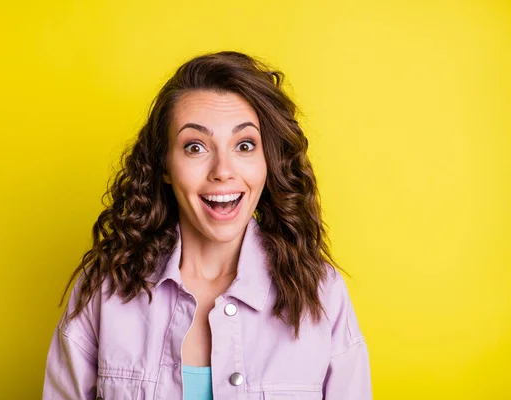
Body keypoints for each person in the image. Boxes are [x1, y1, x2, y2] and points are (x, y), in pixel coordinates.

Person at [42, 50, 372, 400]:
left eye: (244, 145)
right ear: (164, 166)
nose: (223, 171)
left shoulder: (321, 294)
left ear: (267, 163)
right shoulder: (105, 290)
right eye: (195, 147)